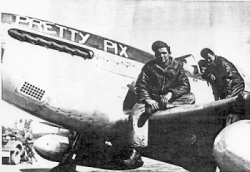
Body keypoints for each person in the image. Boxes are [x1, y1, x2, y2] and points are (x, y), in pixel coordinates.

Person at [122, 41, 195, 167]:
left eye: (164, 53)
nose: (162, 56)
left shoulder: (177, 66)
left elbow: (185, 86)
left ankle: (165, 108)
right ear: (155, 55)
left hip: (170, 98)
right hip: (153, 99)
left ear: (169, 53)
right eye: (158, 54)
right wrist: (148, 100)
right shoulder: (148, 67)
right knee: (136, 111)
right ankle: (136, 152)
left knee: (191, 98)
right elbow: (141, 85)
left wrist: (171, 94)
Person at [200, 48, 245, 126]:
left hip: (235, 85)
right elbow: (205, 74)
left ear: (213, 55)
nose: (209, 61)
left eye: (209, 58)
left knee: (231, 105)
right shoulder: (211, 64)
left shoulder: (222, 62)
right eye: (206, 59)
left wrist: (228, 93)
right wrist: (208, 75)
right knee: (223, 107)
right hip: (224, 86)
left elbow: (229, 79)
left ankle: (234, 123)